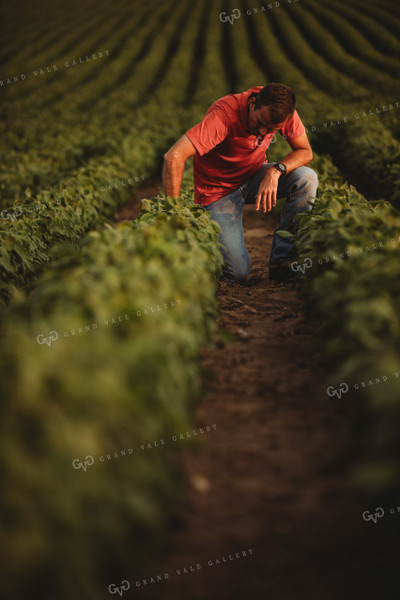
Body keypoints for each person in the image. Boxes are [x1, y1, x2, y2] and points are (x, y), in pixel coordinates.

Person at [162, 83, 318, 283]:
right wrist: (173, 217)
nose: (263, 131)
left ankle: (283, 261)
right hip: (218, 192)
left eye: (271, 129)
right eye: (260, 122)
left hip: (253, 177)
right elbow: (174, 156)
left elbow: (305, 151)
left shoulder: (281, 111)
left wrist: (275, 170)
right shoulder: (224, 115)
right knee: (237, 273)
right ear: (252, 103)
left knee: (306, 178)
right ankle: (201, 258)